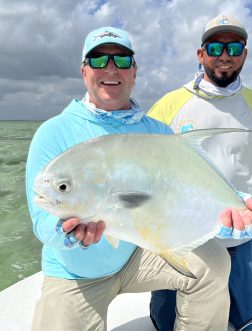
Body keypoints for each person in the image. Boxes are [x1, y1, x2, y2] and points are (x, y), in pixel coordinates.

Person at [25, 26, 234, 331]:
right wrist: (66, 233)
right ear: (84, 72)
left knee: (214, 261)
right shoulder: (54, 133)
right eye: (98, 60)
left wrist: (232, 207)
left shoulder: (157, 132)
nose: (110, 68)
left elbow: (185, 188)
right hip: (75, 274)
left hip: (138, 254)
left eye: (121, 60)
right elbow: (42, 217)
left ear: (134, 72)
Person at [148, 14, 252, 330]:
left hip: (242, 235)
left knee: (247, 322)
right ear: (201, 55)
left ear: (244, 54)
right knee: (165, 322)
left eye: (234, 47)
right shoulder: (168, 105)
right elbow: (144, 165)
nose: (224, 56)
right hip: (182, 238)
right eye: (215, 47)